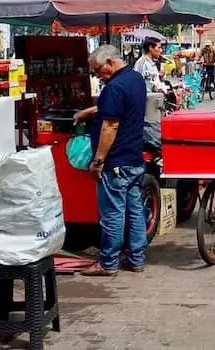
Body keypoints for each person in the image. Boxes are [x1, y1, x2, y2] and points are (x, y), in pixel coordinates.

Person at [75, 45, 148, 276]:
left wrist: (98, 161)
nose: (97, 75)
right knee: (135, 210)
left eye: (98, 70)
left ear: (110, 62)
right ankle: (137, 259)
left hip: (116, 161)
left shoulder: (114, 87)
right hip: (134, 158)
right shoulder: (135, 79)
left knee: (113, 214)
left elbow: (110, 125)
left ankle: (108, 263)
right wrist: (89, 111)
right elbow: (117, 107)